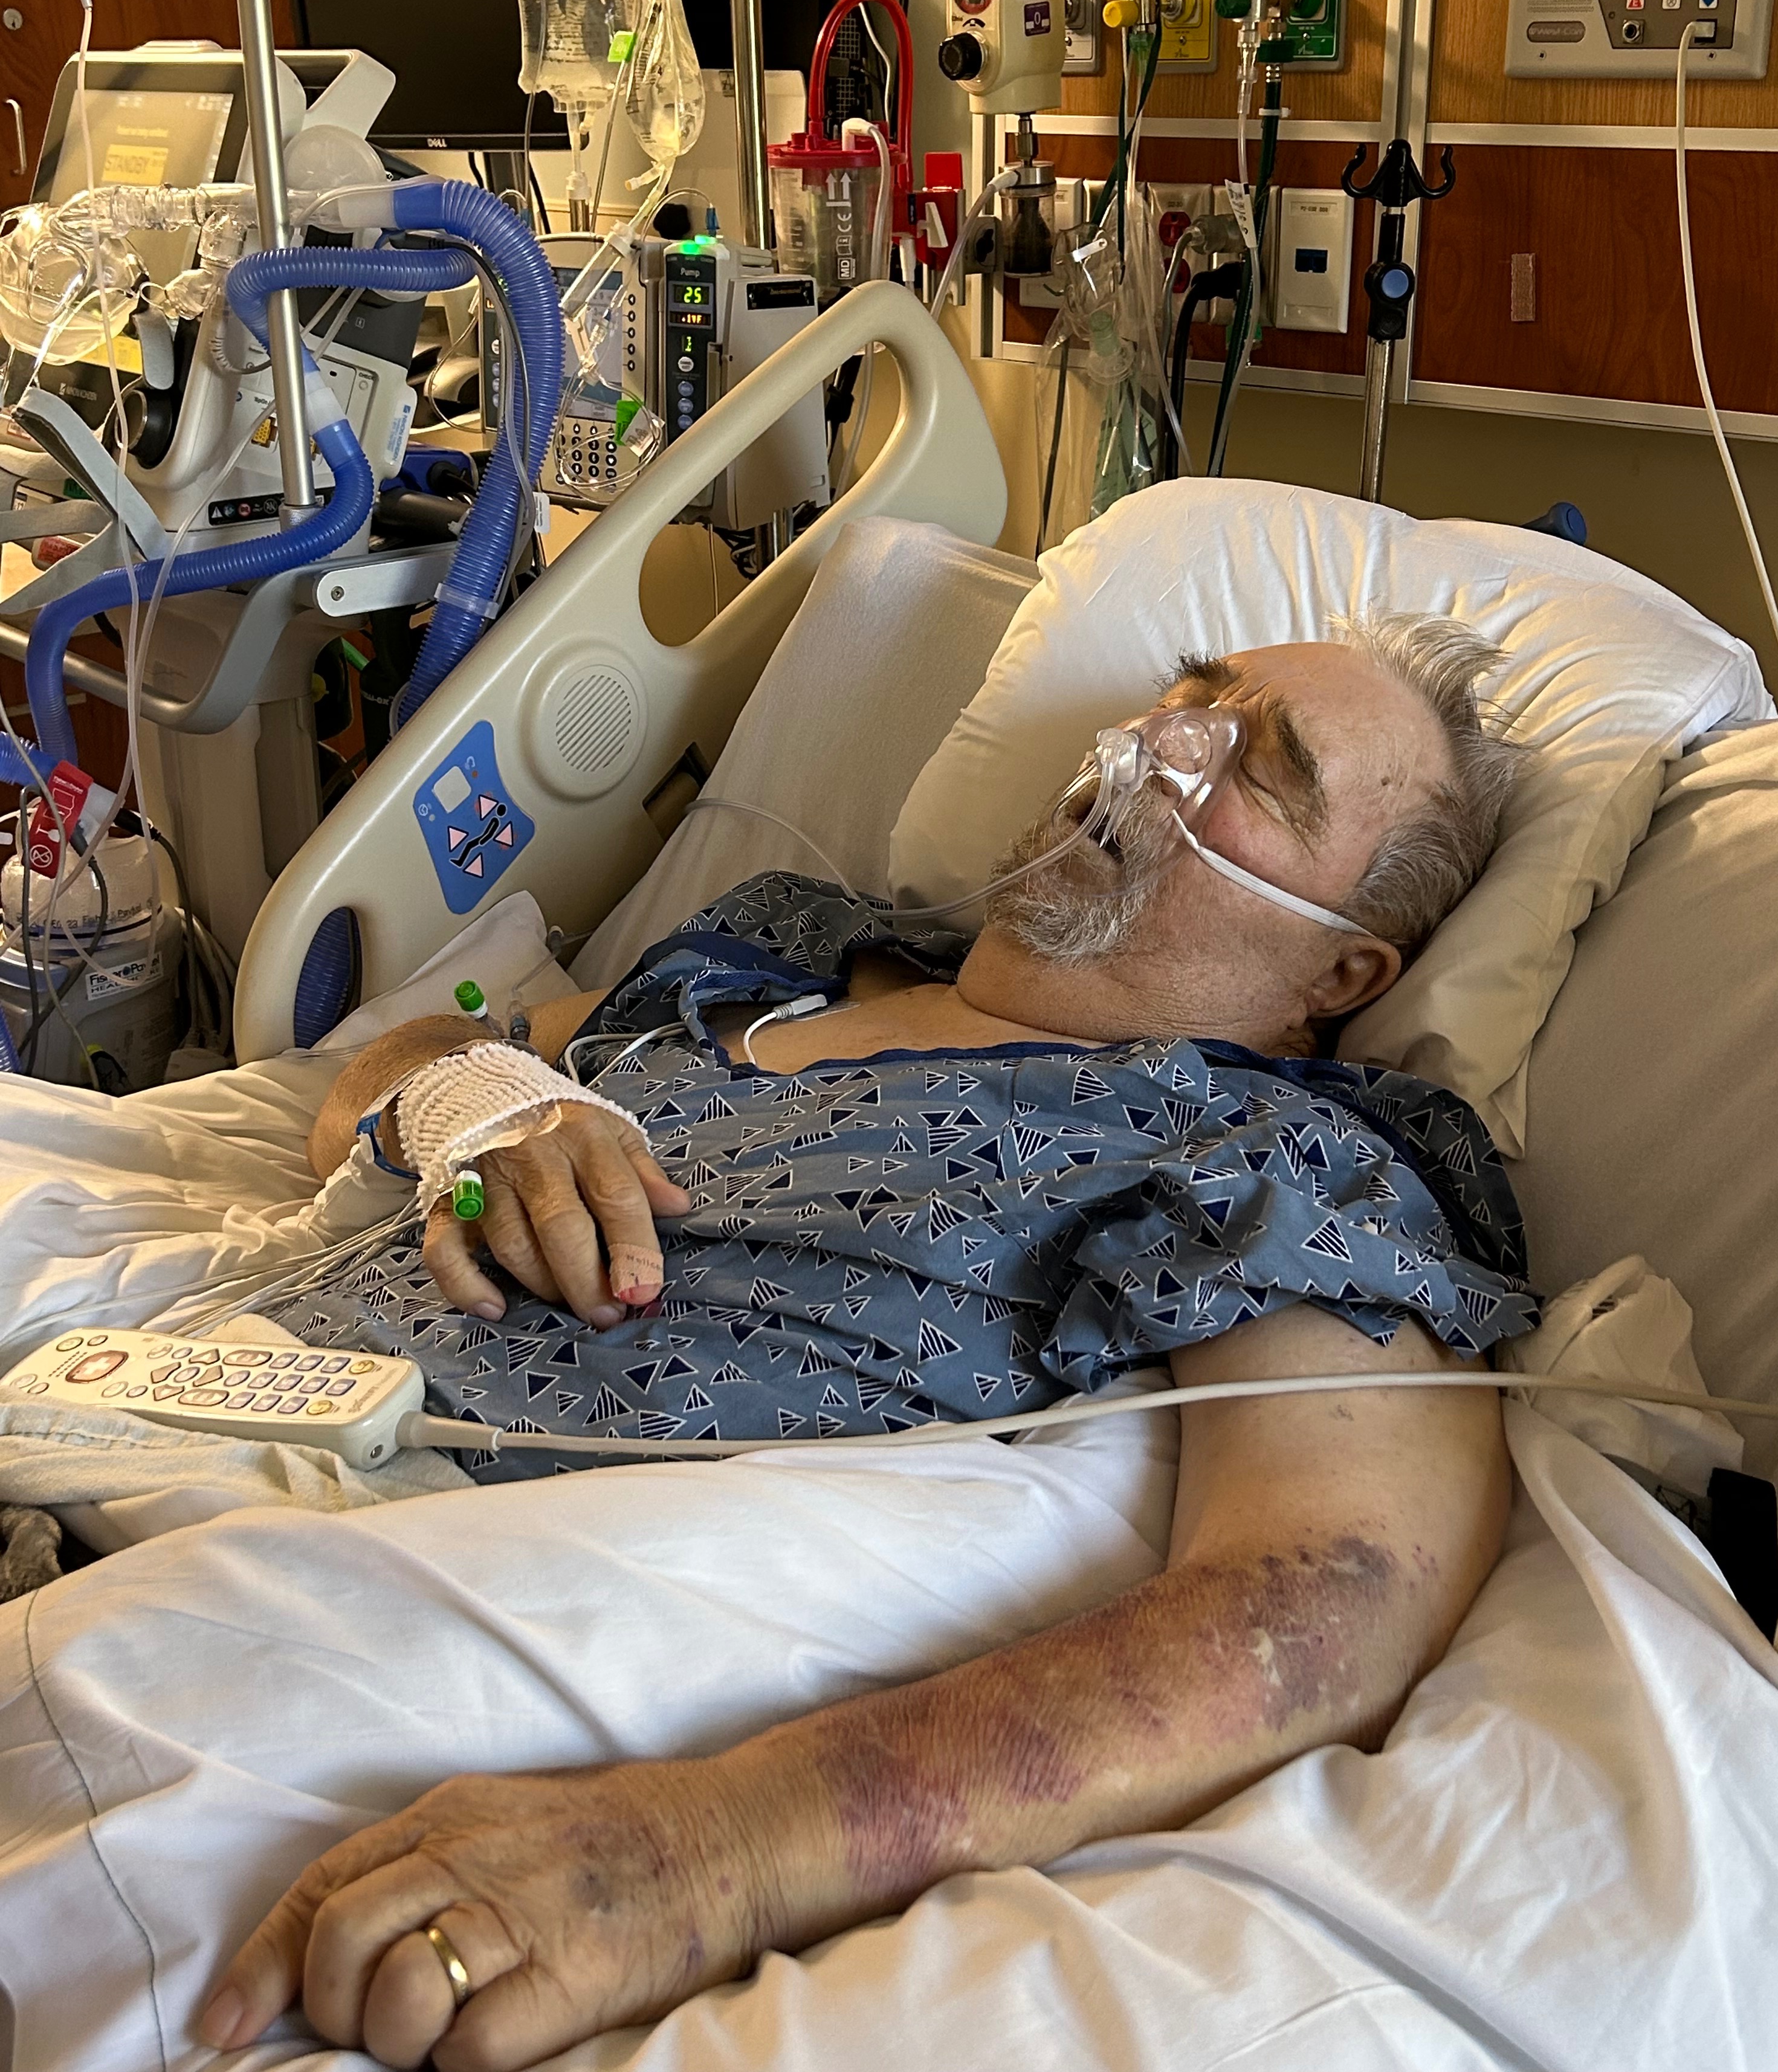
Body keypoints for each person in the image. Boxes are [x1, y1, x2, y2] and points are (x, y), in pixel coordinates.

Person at [201, 614, 1532, 2072]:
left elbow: (1334, 1598)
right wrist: (477, 1108)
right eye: (1185, 699)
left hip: (343, 1582)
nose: (1166, 745)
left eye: (1261, 771)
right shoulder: (792, 952)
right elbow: (380, 1083)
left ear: (1345, 975)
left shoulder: (1266, 1153)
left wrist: (700, 1855)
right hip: (176, 1389)